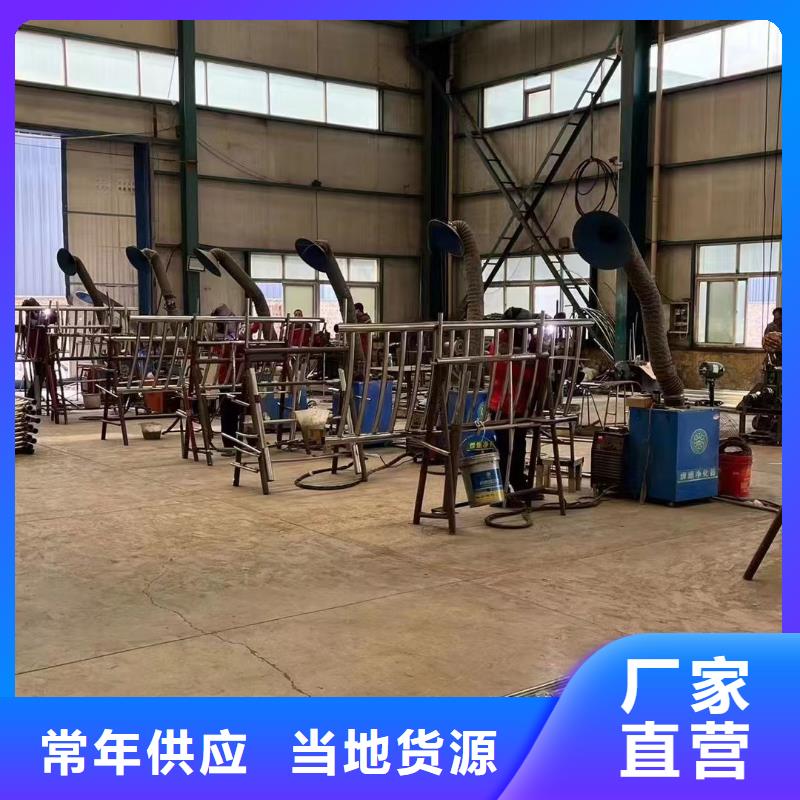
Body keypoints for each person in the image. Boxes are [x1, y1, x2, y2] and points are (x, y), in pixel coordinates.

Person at [488, 307, 545, 499]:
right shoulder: (501, 346)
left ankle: (519, 484)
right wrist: (534, 361)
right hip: (503, 406)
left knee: (518, 445)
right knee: (506, 448)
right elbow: (518, 375)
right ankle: (502, 492)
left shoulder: (527, 343)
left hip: (521, 405)